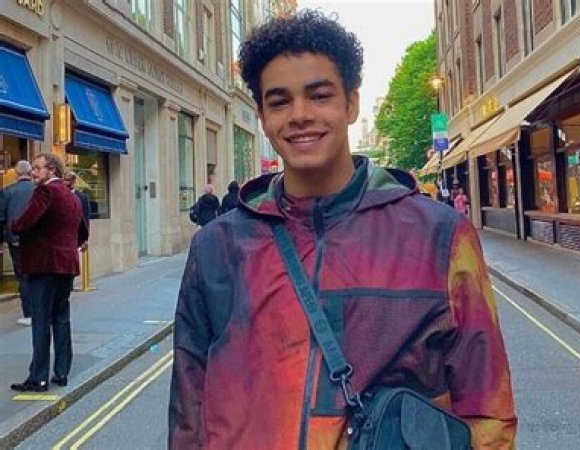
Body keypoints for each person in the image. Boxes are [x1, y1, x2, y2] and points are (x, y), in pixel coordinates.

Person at [169, 10, 516, 449]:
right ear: (262, 116)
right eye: (279, 102)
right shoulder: (215, 248)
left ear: (351, 104)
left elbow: (487, 408)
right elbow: (189, 407)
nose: (299, 115)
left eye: (319, 95)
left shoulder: (440, 236)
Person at [10, 153, 89, 393]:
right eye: (32, 168)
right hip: (66, 266)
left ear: (51, 170)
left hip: (44, 266)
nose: (33, 172)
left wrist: (14, 226)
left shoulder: (46, 192)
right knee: (61, 318)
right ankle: (62, 372)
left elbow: (25, 222)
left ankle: (39, 377)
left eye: (37, 168)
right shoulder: (72, 196)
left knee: (41, 321)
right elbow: (83, 232)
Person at [0, 160, 34, 326]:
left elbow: (1, 218)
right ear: (30, 172)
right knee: (38, 275)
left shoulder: (7, 192)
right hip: (38, 241)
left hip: (16, 241)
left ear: (17, 173)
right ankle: (42, 311)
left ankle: (29, 314)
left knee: (23, 276)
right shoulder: (39, 190)